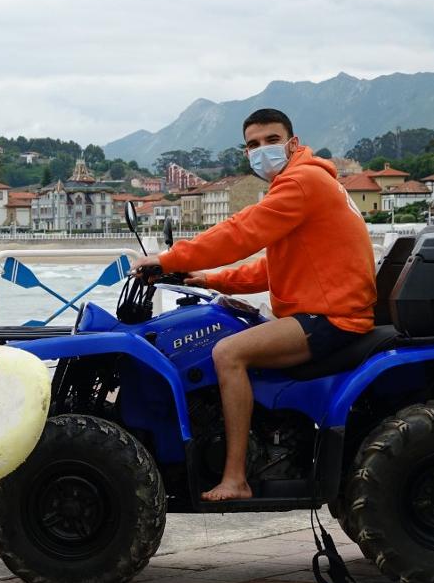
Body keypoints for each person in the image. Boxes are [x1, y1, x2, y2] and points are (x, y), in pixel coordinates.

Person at [131, 108, 376, 501]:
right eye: (253, 145)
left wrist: (169, 259)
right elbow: (273, 268)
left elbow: (241, 232)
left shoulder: (302, 181)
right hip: (323, 311)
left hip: (331, 318)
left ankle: (235, 478)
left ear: (292, 143)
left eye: (271, 141)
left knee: (227, 352)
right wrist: (209, 280)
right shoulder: (305, 181)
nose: (262, 150)